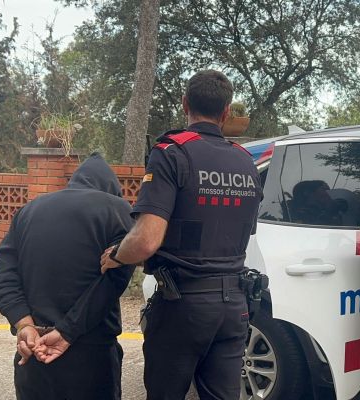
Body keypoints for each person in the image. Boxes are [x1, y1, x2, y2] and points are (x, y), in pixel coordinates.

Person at [100, 70, 263, 400]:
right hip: (235, 305)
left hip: (183, 306)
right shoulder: (246, 161)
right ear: (226, 112)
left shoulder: (172, 152)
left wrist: (116, 254)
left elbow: (146, 240)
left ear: (185, 103)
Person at [0, 154, 135, 400]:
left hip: (33, 352)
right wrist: (67, 332)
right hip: (91, 356)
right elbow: (111, 283)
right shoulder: (118, 210)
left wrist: (24, 324)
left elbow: (2, 274)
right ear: (112, 189)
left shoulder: (29, 211)